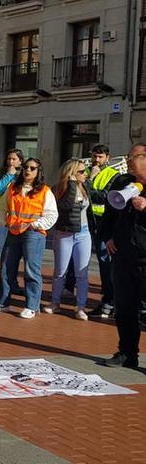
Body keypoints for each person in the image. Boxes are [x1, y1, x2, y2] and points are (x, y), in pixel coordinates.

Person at [101, 143, 146, 368]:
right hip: (123, 257)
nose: (128, 161)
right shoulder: (122, 182)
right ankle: (127, 353)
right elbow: (109, 214)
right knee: (125, 308)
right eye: (128, 157)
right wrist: (108, 237)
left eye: (134, 157)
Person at [0, 158, 58, 318]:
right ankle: (3, 302)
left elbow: (52, 215)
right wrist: (6, 223)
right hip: (13, 232)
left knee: (31, 269)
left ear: (38, 171)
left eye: (32, 168)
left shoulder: (44, 191)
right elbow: (1, 208)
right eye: (25, 167)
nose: (28, 171)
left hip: (33, 233)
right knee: (7, 268)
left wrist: (33, 225)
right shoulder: (13, 188)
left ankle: (31, 306)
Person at [45, 159, 91, 320]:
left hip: (84, 233)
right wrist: (71, 184)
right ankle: (55, 303)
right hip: (64, 233)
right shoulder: (59, 189)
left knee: (82, 272)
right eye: (81, 172)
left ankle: (80, 307)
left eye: (85, 171)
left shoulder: (85, 187)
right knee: (60, 271)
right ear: (71, 173)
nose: (85, 174)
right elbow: (64, 206)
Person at [86, 144, 121, 319]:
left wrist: (90, 182)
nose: (96, 160)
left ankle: (112, 301)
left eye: (100, 157)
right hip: (90, 223)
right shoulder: (85, 171)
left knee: (109, 265)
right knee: (102, 265)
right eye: (94, 156)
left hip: (106, 225)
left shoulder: (114, 175)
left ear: (107, 157)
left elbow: (103, 197)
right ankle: (108, 300)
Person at [0, 149, 24, 293]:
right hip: (1, 217)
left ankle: (10, 282)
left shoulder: (23, 176)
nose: (11, 162)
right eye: (9, 159)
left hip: (17, 219)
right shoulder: (1, 174)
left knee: (10, 254)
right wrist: (9, 175)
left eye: (14, 159)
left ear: (20, 161)